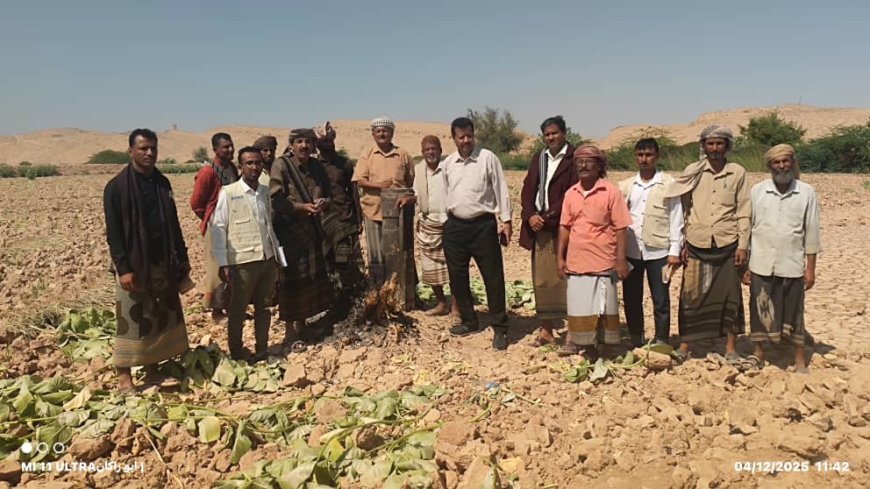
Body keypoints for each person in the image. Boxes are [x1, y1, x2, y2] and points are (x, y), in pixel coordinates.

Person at [103, 128, 191, 393]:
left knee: (156, 316)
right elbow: (114, 234)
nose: (150, 153)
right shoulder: (116, 188)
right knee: (131, 320)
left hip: (161, 262)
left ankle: (153, 371)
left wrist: (182, 258)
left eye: (153, 148)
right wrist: (124, 268)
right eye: (143, 148)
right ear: (130, 151)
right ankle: (125, 379)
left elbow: (173, 224)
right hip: (132, 264)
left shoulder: (162, 183)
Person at [666, 125, 750, 363]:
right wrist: (681, 243)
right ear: (703, 146)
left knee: (730, 297)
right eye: (710, 143)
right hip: (697, 243)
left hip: (727, 242)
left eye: (719, 143)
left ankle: (730, 348)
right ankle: (685, 345)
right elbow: (683, 209)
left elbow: (744, 210)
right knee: (690, 296)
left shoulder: (737, 172)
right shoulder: (693, 171)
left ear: (727, 146)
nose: (714, 148)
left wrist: (743, 245)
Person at [745, 144, 821, 373]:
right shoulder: (758, 191)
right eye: (776, 162)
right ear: (770, 166)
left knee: (794, 311)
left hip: (792, 263)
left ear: (792, 163)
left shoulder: (806, 192)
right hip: (761, 262)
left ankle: (799, 359)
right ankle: (759, 353)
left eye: (785, 161)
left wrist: (810, 269)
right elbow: (748, 229)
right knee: (759, 309)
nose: (781, 166)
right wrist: (745, 265)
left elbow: (812, 233)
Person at [441, 117, 512, 350]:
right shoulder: (448, 163)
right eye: (461, 137)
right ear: (454, 139)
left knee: (492, 277)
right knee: (458, 277)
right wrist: (444, 223)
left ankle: (500, 327)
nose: (466, 141)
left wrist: (506, 220)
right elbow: (445, 193)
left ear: (474, 135)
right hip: (455, 227)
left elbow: (501, 189)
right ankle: (469, 321)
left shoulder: (487, 158)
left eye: (469, 136)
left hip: (483, 226)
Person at [556, 145, 632, 359]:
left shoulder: (611, 192)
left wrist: (621, 259)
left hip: (603, 260)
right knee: (580, 304)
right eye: (579, 161)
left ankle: (607, 346)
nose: (583, 165)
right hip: (577, 260)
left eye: (589, 161)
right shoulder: (571, 194)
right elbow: (565, 227)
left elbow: (621, 227)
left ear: (599, 166)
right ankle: (584, 344)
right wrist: (560, 257)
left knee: (604, 305)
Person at [211, 147, 281, 362]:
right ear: (241, 166)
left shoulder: (264, 191)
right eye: (249, 163)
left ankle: (262, 350)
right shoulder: (229, 192)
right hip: (242, 261)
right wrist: (223, 262)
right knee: (237, 310)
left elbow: (269, 225)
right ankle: (237, 353)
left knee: (264, 308)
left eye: (258, 163)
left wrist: (278, 257)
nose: (254, 167)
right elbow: (219, 227)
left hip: (267, 259)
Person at [618, 138, 684, 347]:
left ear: (657, 156)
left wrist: (674, 249)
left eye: (648, 155)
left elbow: (676, 217)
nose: (644, 159)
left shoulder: (669, 184)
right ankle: (636, 338)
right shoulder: (626, 186)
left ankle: (661, 339)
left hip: (659, 251)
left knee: (661, 299)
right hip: (631, 250)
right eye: (640, 155)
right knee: (632, 297)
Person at [271, 129, 333, 347]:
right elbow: (276, 200)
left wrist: (324, 203)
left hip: (312, 229)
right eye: (299, 141)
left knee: (309, 278)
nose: (304, 146)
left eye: (308, 141)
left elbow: (329, 194)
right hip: (289, 232)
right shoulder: (281, 165)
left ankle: (303, 324)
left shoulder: (317, 166)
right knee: (291, 281)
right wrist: (301, 207)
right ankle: (290, 331)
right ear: (292, 145)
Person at [519, 116, 578, 345]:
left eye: (554, 133)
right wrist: (530, 215)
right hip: (539, 228)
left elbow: (571, 193)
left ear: (564, 133)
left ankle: (574, 331)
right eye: (547, 134)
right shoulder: (540, 158)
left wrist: (547, 216)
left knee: (568, 279)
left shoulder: (574, 158)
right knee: (543, 279)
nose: (551, 138)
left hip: (563, 226)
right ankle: (546, 330)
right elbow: (528, 189)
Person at [351, 117, 415, 287]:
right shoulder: (367, 154)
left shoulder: (402, 154)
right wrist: (380, 186)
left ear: (391, 133)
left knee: (398, 251)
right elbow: (360, 180)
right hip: (373, 210)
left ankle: (401, 290)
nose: (382, 134)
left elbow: (410, 182)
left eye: (385, 131)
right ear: (373, 134)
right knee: (376, 255)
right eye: (378, 131)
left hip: (397, 212)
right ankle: (378, 291)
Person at [190, 132, 239, 322]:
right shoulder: (208, 172)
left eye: (231, 146)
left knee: (232, 265)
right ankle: (216, 310)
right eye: (225, 147)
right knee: (216, 268)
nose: (230, 150)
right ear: (215, 149)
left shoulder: (231, 168)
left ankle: (231, 306)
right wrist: (210, 220)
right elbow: (196, 203)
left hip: (232, 223)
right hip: (215, 226)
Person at [413, 135, 460, 317]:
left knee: (454, 267)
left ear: (440, 151)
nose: (430, 152)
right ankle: (441, 303)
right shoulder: (418, 170)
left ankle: (456, 306)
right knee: (430, 268)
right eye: (427, 149)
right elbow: (415, 195)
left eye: (434, 149)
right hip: (427, 225)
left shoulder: (449, 168)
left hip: (449, 223)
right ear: (422, 152)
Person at [316, 121, 363, 294]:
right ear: (318, 144)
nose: (328, 144)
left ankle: (351, 295)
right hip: (323, 220)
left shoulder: (344, 163)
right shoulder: (313, 165)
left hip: (345, 217)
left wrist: (359, 218)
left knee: (346, 260)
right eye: (324, 142)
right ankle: (332, 295)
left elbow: (354, 191)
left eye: (330, 141)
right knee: (326, 260)